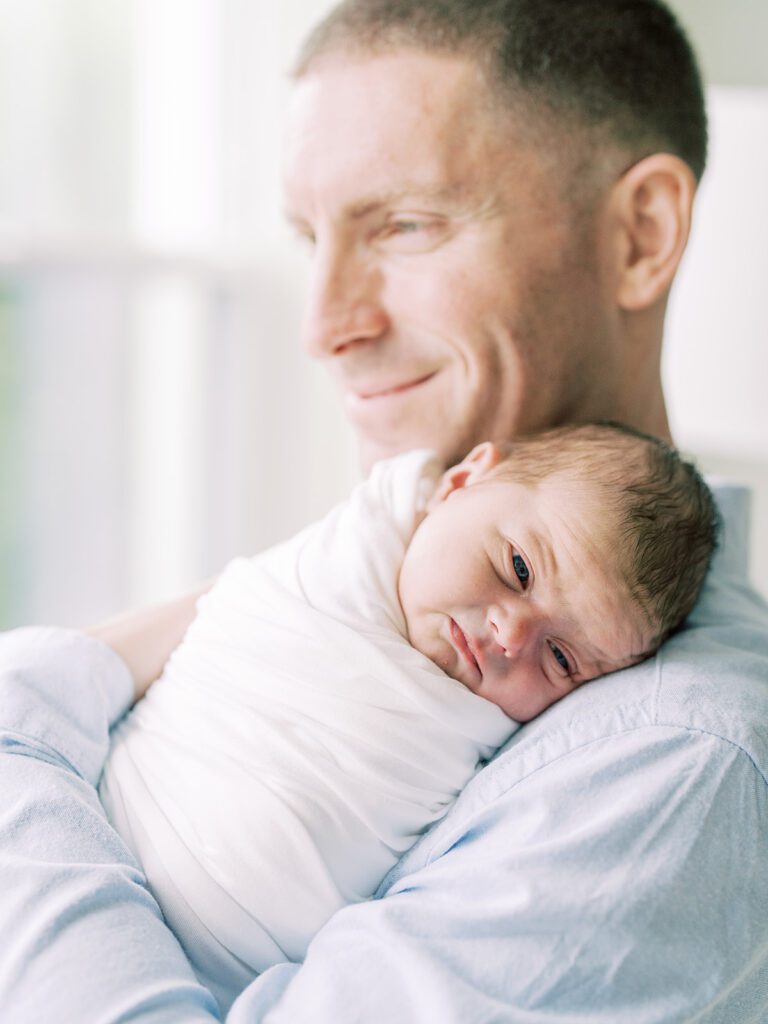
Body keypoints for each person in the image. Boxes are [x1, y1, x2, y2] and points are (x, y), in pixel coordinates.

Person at [1, 1, 767, 1021]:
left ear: (641, 233)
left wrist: (22, 741)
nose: (323, 325)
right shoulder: (362, 591)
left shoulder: (668, 759)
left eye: (405, 224)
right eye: (309, 236)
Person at [98, 424, 717, 1015]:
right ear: (461, 481)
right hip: (110, 813)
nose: (509, 634)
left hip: (222, 982)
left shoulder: (552, 750)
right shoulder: (347, 548)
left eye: (560, 657)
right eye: (519, 569)